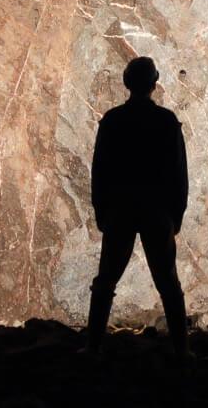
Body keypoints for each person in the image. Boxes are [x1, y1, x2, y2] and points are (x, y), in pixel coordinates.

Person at [86, 55, 189, 360]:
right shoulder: (166, 122)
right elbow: (178, 173)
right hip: (157, 211)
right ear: (154, 83)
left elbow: (100, 171)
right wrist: (175, 216)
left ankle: (92, 348)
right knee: (168, 282)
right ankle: (182, 351)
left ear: (126, 82)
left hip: (121, 208)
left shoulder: (114, 120)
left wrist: (102, 211)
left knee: (105, 280)